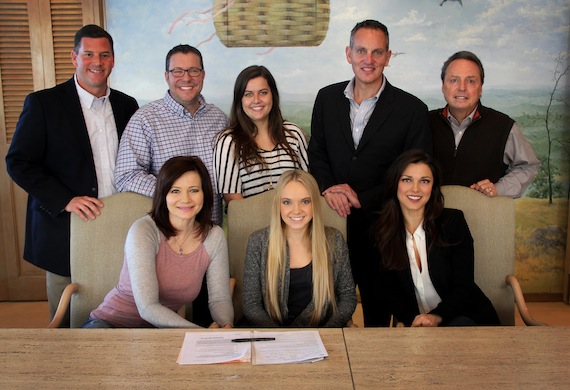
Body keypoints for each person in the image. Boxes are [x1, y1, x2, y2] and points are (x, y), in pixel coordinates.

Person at [5, 24, 139, 326]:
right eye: (88, 53)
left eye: (104, 55)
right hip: (66, 227)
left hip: (118, 224)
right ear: (73, 57)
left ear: (113, 60)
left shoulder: (127, 105)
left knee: (116, 312)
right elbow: (18, 162)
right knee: (67, 320)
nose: (97, 62)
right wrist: (65, 199)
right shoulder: (43, 104)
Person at [308, 20, 431, 326]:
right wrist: (328, 187)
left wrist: (362, 198)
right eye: (361, 51)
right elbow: (317, 152)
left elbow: (413, 173)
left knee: (379, 312)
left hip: (384, 227)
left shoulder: (412, 109)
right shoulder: (326, 98)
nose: (369, 60)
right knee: (327, 308)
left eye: (377, 52)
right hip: (331, 222)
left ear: (388, 56)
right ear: (348, 53)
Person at [82, 156, 234, 328]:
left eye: (194, 190)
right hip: (109, 325)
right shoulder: (144, 230)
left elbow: (219, 299)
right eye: (175, 191)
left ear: (205, 193)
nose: (186, 199)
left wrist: (225, 327)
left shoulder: (214, 236)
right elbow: (147, 308)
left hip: (161, 332)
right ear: (163, 194)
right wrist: (201, 333)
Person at [373, 149, 500, 327]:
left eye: (424, 181)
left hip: (467, 320)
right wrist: (413, 322)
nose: (415, 189)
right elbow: (389, 292)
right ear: (395, 184)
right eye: (407, 180)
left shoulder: (453, 222)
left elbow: (463, 287)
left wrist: (435, 317)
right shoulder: (381, 232)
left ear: (433, 188)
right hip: (419, 329)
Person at [115, 44, 228, 225]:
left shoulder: (220, 119)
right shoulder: (145, 120)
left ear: (203, 75)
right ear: (166, 76)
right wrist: (175, 193)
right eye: (177, 71)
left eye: (193, 70)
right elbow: (126, 176)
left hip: (211, 232)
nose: (186, 78)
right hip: (165, 235)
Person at [243, 170, 357, 327]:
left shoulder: (333, 239)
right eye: (287, 202)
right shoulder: (258, 242)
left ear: (314, 204)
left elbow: (347, 297)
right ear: (278, 205)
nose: (296, 210)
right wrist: (280, 338)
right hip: (273, 338)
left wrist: (327, 332)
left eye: (305, 201)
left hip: (323, 335)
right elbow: (251, 305)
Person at [429, 51, 540, 198]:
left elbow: (528, 166)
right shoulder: (424, 122)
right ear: (443, 87)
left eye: (471, 81)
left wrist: (499, 188)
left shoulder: (504, 127)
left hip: (482, 217)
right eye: (454, 80)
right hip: (430, 217)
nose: (462, 87)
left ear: (480, 88)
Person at [214, 65, 308, 204]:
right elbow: (233, 200)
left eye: (263, 92)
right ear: (240, 100)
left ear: (273, 95)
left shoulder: (294, 134)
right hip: (251, 224)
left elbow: (308, 186)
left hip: (295, 222)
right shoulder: (228, 142)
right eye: (248, 94)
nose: (256, 100)